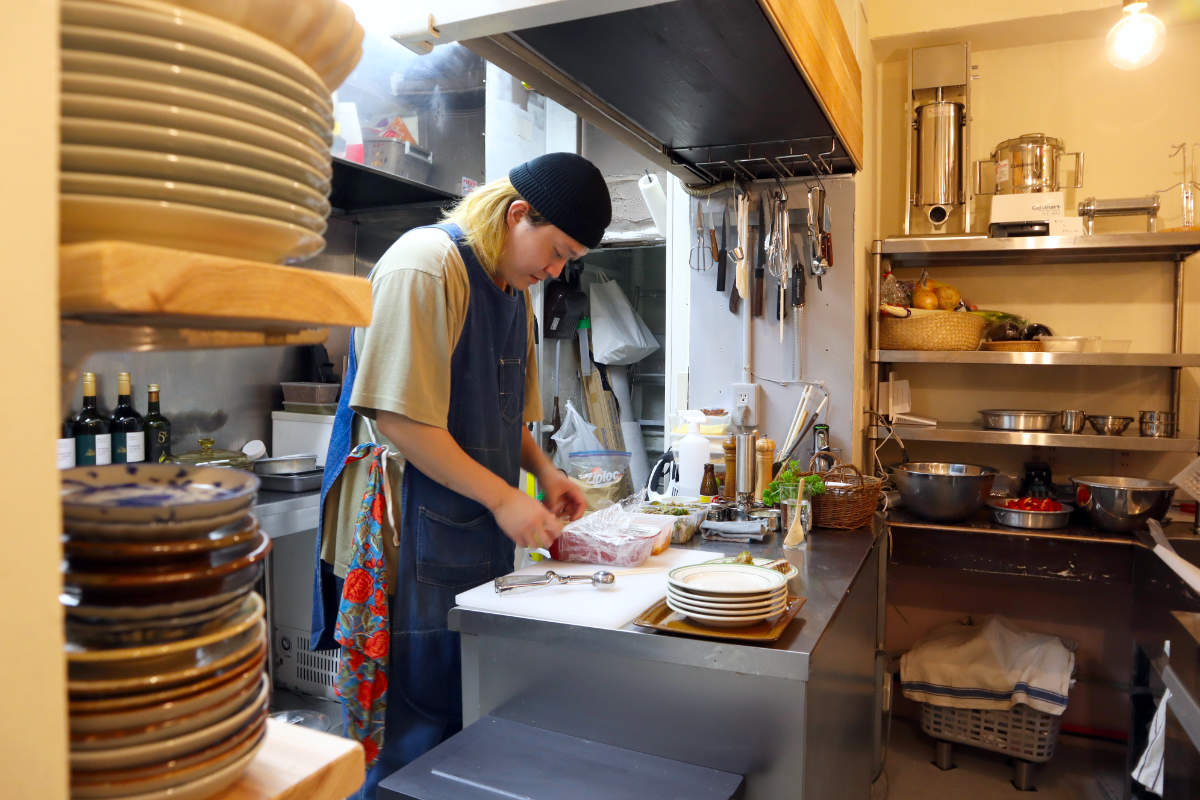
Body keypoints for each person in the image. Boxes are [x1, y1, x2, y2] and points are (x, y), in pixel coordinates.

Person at [313, 153, 612, 797]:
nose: (555, 271)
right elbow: (398, 418)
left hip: (473, 539)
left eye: (568, 261)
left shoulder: (515, 296)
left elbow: (512, 422)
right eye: (556, 251)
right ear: (517, 215)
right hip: (405, 539)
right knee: (406, 739)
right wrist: (505, 497)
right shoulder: (428, 266)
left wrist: (544, 472)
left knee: (466, 722)